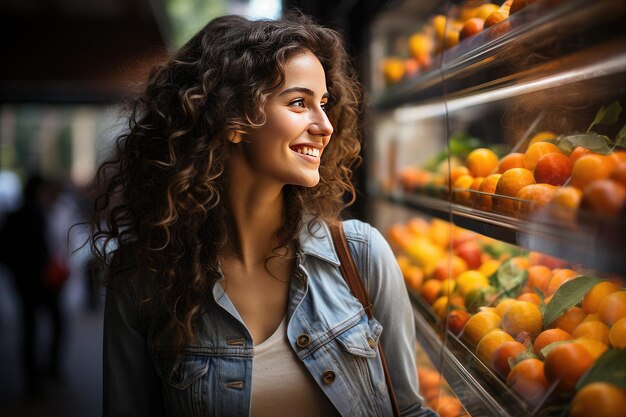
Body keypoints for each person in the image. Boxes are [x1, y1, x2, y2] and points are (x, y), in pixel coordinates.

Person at [91, 12, 438, 417]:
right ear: (233, 120)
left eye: (323, 103)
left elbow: (411, 411)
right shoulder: (142, 280)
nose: (325, 125)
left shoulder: (361, 256)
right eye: (298, 102)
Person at [0, 174, 66, 397]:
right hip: (41, 282)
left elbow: (5, 253)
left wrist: (17, 275)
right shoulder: (38, 216)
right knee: (54, 322)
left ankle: (33, 380)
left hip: (25, 283)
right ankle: (48, 370)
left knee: (29, 329)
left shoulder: (14, 216)